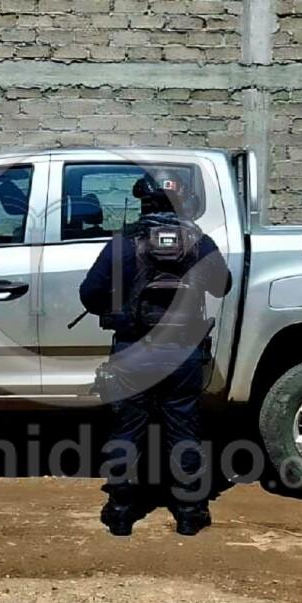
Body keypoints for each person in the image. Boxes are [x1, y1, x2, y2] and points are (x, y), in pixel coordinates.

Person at [79, 169, 231, 537]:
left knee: (127, 430)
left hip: (133, 352)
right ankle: (190, 513)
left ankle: (120, 512)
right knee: (183, 429)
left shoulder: (123, 243)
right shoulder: (199, 242)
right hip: (183, 354)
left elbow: (89, 295)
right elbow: (222, 286)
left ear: (143, 202)